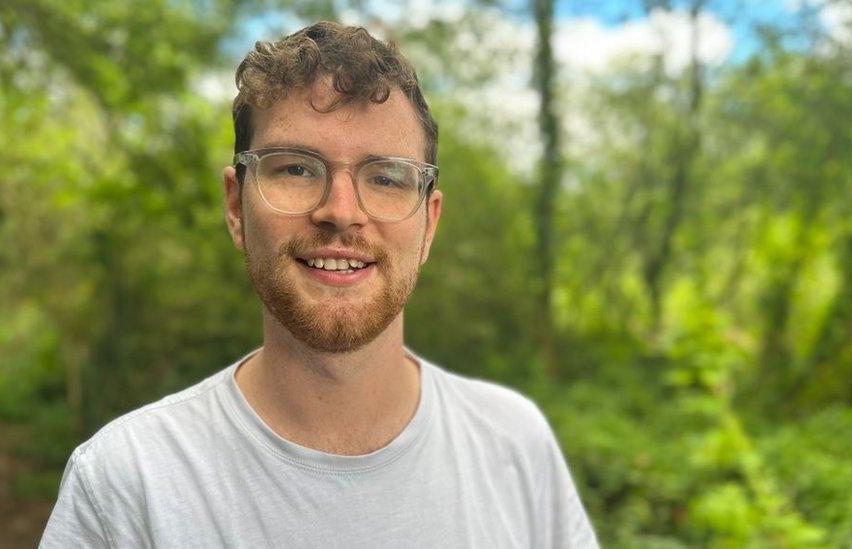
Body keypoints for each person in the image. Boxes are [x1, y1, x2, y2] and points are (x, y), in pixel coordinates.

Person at [40, 21, 598, 548]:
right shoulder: (128, 483)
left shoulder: (517, 446)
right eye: (297, 169)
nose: (340, 211)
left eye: (385, 177)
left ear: (429, 224)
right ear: (236, 207)